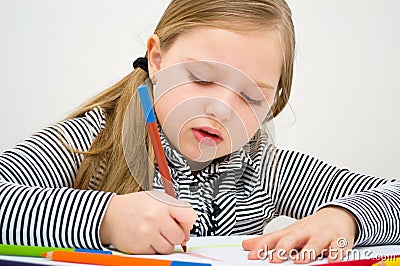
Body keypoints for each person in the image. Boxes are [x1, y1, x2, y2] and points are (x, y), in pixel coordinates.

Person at [0, 0, 399, 264]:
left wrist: (344, 218)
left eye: (250, 95)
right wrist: (106, 219)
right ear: (157, 60)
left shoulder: (262, 165)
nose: (222, 109)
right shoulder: (94, 142)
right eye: (203, 79)